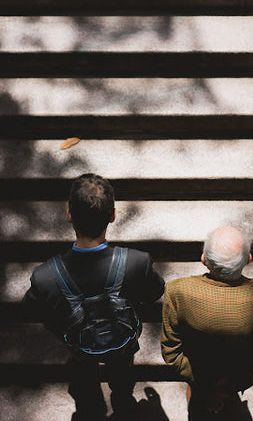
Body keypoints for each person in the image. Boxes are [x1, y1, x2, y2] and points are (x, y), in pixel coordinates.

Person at [23, 173, 165, 421]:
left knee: (82, 371)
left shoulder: (44, 276)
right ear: (112, 215)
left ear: (69, 215)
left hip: (79, 345)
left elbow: (32, 310)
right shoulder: (136, 262)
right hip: (122, 343)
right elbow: (155, 291)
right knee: (122, 372)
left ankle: (90, 405)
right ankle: (121, 396)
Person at [161, 226, 253, 420]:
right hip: (238, 373)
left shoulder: (177, 292)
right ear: (249, 259)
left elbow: (171, 351)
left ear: (204, 259)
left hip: (198, 370)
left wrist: (205, 387)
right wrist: (226, 389)